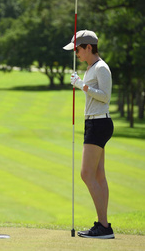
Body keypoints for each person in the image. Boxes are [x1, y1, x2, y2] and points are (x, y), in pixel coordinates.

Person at [63, 30, 114, 239]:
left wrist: (82, 85)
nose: (76, 53)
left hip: (99, 123)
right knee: (99, 175)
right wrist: (82, 83)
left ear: (89, 48)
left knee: (86, 174)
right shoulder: (91, 68)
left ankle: (103, 225)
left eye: (78, 49)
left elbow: (105, 97)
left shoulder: (101, 68)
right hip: (95, 123)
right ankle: (104, 226)